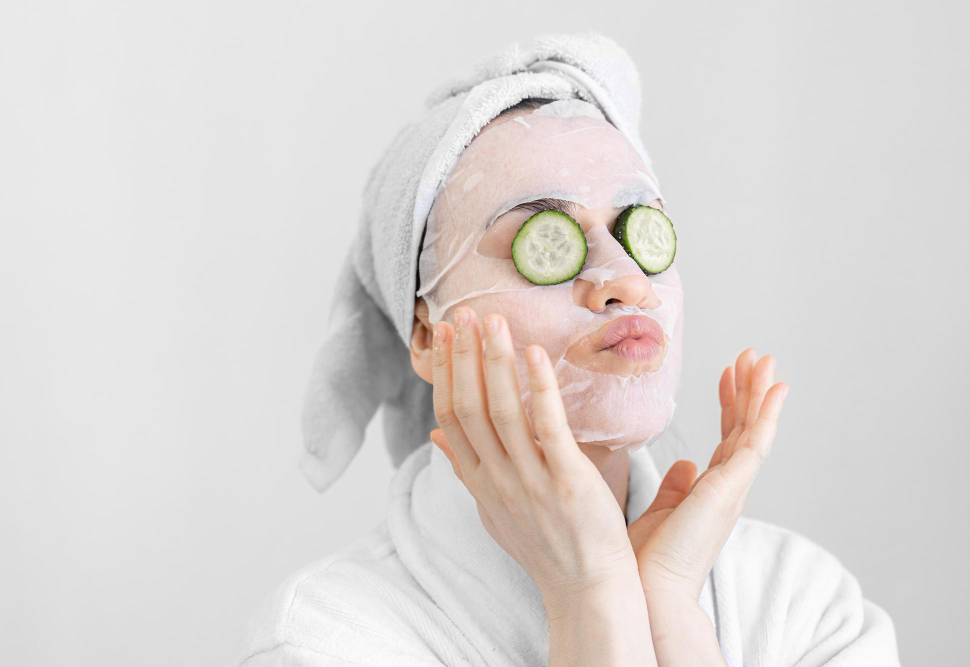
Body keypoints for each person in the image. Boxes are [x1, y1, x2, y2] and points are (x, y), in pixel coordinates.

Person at [235, 34, 900, 666]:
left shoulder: (806, 606)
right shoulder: (324, 639)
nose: (625, 279)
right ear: (429, 334)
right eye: (546, 243)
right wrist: (592, 595)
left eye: (641, 228)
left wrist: (670, 611)